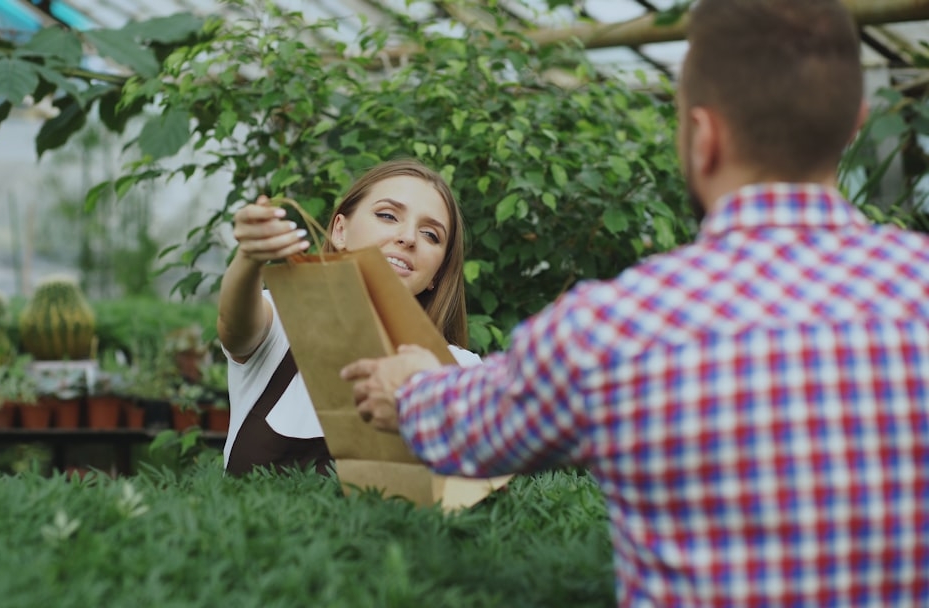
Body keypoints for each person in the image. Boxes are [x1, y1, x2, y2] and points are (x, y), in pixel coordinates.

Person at [340, 1, 929, 605]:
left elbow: (476, 422)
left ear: (704, 137)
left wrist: (409, 388)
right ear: (855, 123)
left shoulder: (613, 327)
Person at [217, 159, 482, 476]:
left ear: (435, 275)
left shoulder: (461, 370)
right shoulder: (282, 319)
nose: (409, 237)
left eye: (431, 235)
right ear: (340, 231)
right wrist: (249, 257)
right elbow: (235, 327)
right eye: (387, 215)